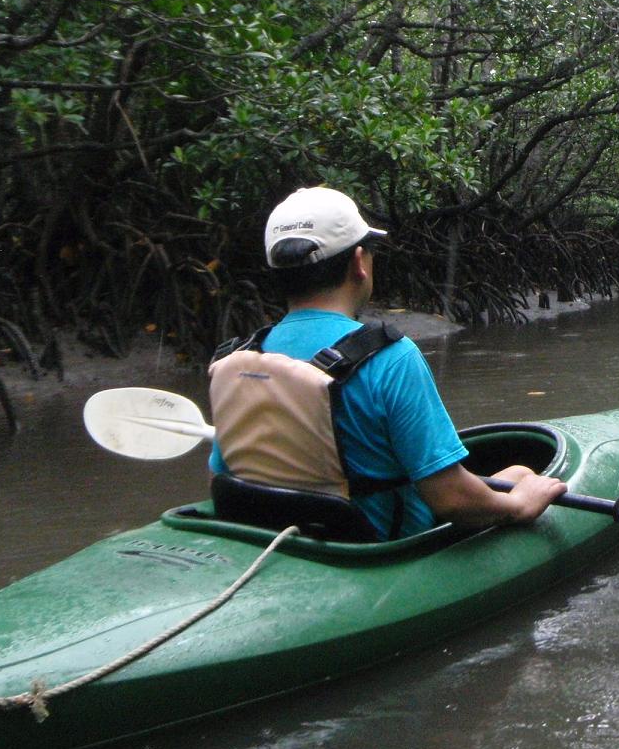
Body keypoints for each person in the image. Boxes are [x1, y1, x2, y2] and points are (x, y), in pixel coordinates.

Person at [206, 185, 566, 540]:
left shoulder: (240, 360)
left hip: (276, 531)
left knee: (515, 473)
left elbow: (225, 475)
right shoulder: (392, 358)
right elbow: (451, 499)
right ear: (359, 262)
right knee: (521, 476)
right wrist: (519, 505)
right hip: (375, 542)